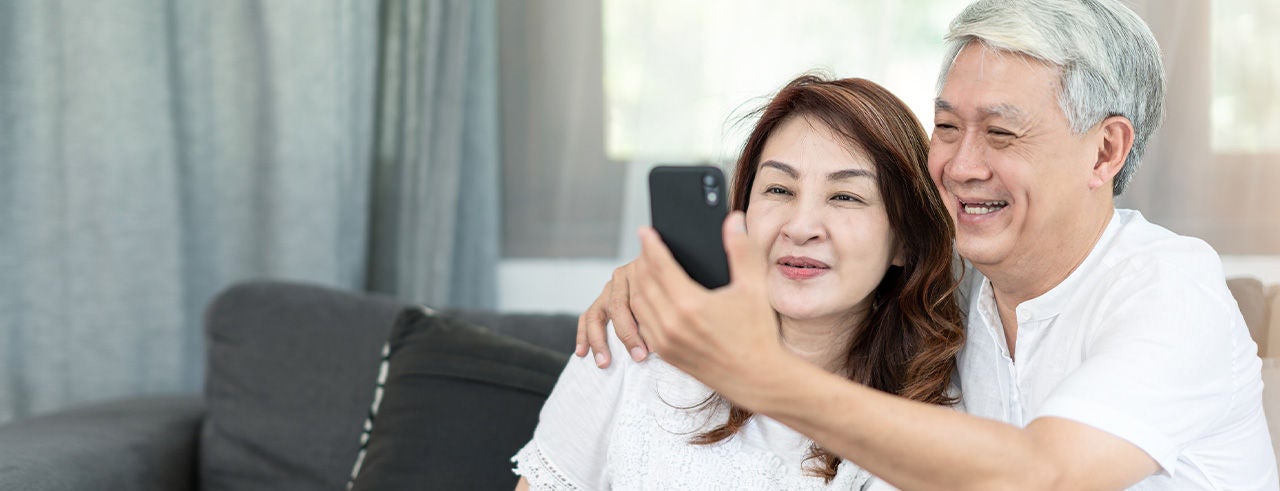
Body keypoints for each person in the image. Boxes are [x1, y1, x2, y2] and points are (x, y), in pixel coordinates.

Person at [576, 0, 1278, 489]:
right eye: (947, 127)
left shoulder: (1169, 288)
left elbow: (1040, 473)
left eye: (1001, 133)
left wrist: (763, 376)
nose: (962, 164)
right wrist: (653, 278)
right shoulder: (963, 290)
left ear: (1105, 151)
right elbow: (836, 260)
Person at [512, 75, 966, 489]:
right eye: (778, 190)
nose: (801, 226)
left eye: (845, 196)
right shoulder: (635, 341)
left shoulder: (936, 420)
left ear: (905, 242)